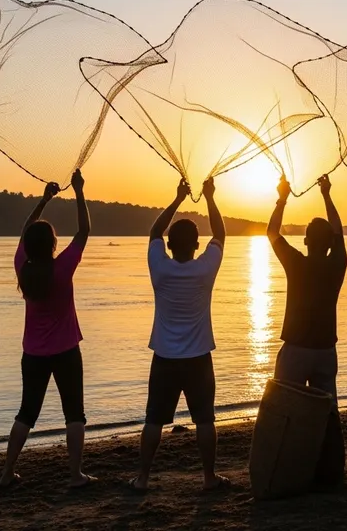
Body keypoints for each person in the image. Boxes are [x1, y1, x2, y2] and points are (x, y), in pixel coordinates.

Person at [132, 177, 228, 492]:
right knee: (204, 420)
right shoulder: (204, 270)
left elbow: (153, 232)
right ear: (196, 245)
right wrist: (210, 197)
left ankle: (143, 479)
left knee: (153, 421)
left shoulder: (159, 267)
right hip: (199, 358)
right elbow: (221, 234)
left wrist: (176, 199)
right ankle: (209, 478)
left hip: (165, 358)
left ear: (170, 246)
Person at [0, 169, 94, 488]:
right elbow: (84, 231)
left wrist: (43, 200)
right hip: (66, 351)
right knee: (74, 413)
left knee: (26, 412)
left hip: (33, 354)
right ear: (53, 244)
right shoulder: (62, 268)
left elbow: (26, 233)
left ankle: (7, 471)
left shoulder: (21, 267)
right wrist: (79, 191)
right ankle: (75, 474)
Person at [266, 174, 347, 400]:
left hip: (296, 350)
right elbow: (338, 230)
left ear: (305, 241)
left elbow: (272, 232)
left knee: (284, 408)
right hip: (326, 351)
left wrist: (282, 198)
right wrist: (326, 195)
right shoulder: (338, 264)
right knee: (327, 414)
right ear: (331, 243)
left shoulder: (296, 263)